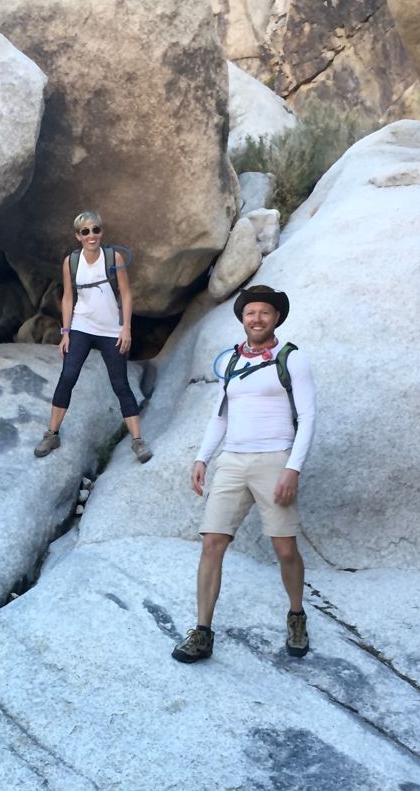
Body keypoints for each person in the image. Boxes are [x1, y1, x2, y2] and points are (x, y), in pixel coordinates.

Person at [172, 284, 316, 662]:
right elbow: (221, 416)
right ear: (242, 318)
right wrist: (203, 457)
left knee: (285, 549)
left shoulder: (292, 359)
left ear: (276, 318)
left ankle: (296, 615)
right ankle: (202, 631)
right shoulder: (233, 363)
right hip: (233, 461)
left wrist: (292, 468)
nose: (257, 319)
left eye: (265, 313)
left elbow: (309, 418)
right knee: (211, 543)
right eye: (251, 312)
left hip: (274, 459)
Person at [33, 211, 152, 463]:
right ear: (78, 236)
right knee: (68, 377)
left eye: (95, 230)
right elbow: (68, 297)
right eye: (85, 231)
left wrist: (126, 328)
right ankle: (52, 434)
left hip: (111, 330)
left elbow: (127, 295)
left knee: (120, 384)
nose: (91, 235)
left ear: (101, 232)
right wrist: (65, 332)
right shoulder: (71, 262)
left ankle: (137, 441)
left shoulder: (113, 257)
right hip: (81, 327)